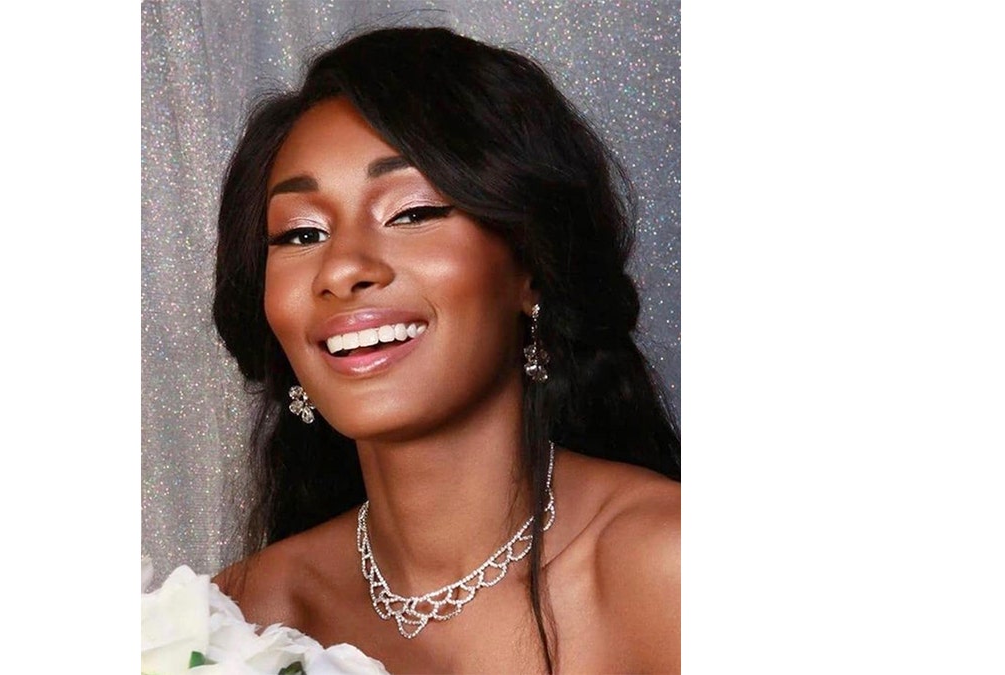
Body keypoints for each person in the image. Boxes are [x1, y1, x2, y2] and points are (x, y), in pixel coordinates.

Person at [211, 26, 680, 674]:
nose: (342, 268)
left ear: (532, 267)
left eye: (412, 213)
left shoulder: (670, 568)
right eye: (301, 232)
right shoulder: (236, 621)